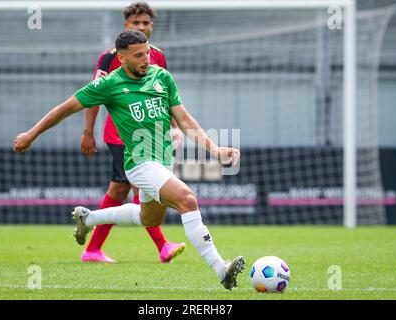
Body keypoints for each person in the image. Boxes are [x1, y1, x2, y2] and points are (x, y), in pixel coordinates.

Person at [14, 30, 245, 290]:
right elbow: (66, 108)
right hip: (139, 163)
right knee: (187, 200)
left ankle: (88, 219)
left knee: (150, 219)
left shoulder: (162, 77)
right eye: (138, 55)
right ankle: (221, 269)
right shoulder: (109, 84)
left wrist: (214, 150)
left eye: (147, 52)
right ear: (122, 58)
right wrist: (31, 134)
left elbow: (184, 119)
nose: (146, 59)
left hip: (164, 160)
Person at [80, 2, 185, 264]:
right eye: (135, 23)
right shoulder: (109, 57)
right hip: (121, 136)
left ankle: (92, 248)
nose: (141, 27)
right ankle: (163, 245)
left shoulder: (158, 56)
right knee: (143, 188)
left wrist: (173, 128)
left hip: (152, 136)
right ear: (126, 26)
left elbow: (164, 97)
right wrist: (87, 132)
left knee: (117, 191)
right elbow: (92, 97)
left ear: (152, 26)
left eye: (145, 23)